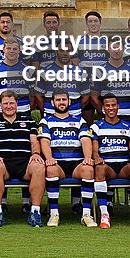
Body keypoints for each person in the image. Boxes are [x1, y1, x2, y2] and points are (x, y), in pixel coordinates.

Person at [0, 91, 46, 227]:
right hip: (3, 162)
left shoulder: (29, 121)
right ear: (0, 105)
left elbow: (35, 142)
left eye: (12, 103)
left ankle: (35, 212)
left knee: (39, 167)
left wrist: (36, 153)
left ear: (17, 104)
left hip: (24, 162)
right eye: (5, 103)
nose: (9, 106)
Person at [86, 94, 130, 229]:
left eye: (113, 105)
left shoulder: (129, 126)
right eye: (108, 105)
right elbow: (94, 149)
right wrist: (96, 157)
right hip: (108, 167)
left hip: (123, 167)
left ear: (118, 107)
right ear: (103, 108)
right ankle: (105, 215)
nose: (111, 108)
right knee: (99, 168)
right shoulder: (96, 127)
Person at [39, 90, 91, 227]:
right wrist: (49, 158)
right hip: (58, 164)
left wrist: (87, 158)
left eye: (64, 100)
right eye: (58, 100)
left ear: (69, 102)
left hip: (76, 164)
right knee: (50, 170)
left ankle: (86, 214)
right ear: (52, 103)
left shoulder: (79, 120)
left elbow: (86, 140)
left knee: (88, 169)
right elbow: (44, 141)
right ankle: (54, 214)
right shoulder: (46, 121)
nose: (61, 102)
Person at [34, 48, 91, 124]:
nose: (65, 53)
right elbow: (38, 96)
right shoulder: (44, 72)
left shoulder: (81, 72)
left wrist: (75, 109)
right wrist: (46, 109)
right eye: (61, 50)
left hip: (75, 115)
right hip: (50, 115)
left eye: (68, 50)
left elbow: (86, 97)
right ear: (56, 52)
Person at [90, 42, 130, 121]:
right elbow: (94, 97)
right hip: (107, 118)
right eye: (113, 48)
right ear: (108, 49)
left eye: (119, 48)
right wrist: (103, 111)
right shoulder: (99, 70)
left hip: (129, 117)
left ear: (124, 49)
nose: (116, 51)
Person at [0, 36, 33, 117]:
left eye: (14, 49)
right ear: (4, 49)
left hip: (24, 113)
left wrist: (27, 110)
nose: (11, 51)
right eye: (8, 48)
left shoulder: (28, 71)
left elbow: (33, 96)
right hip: (1, 114)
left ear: (19, 50)